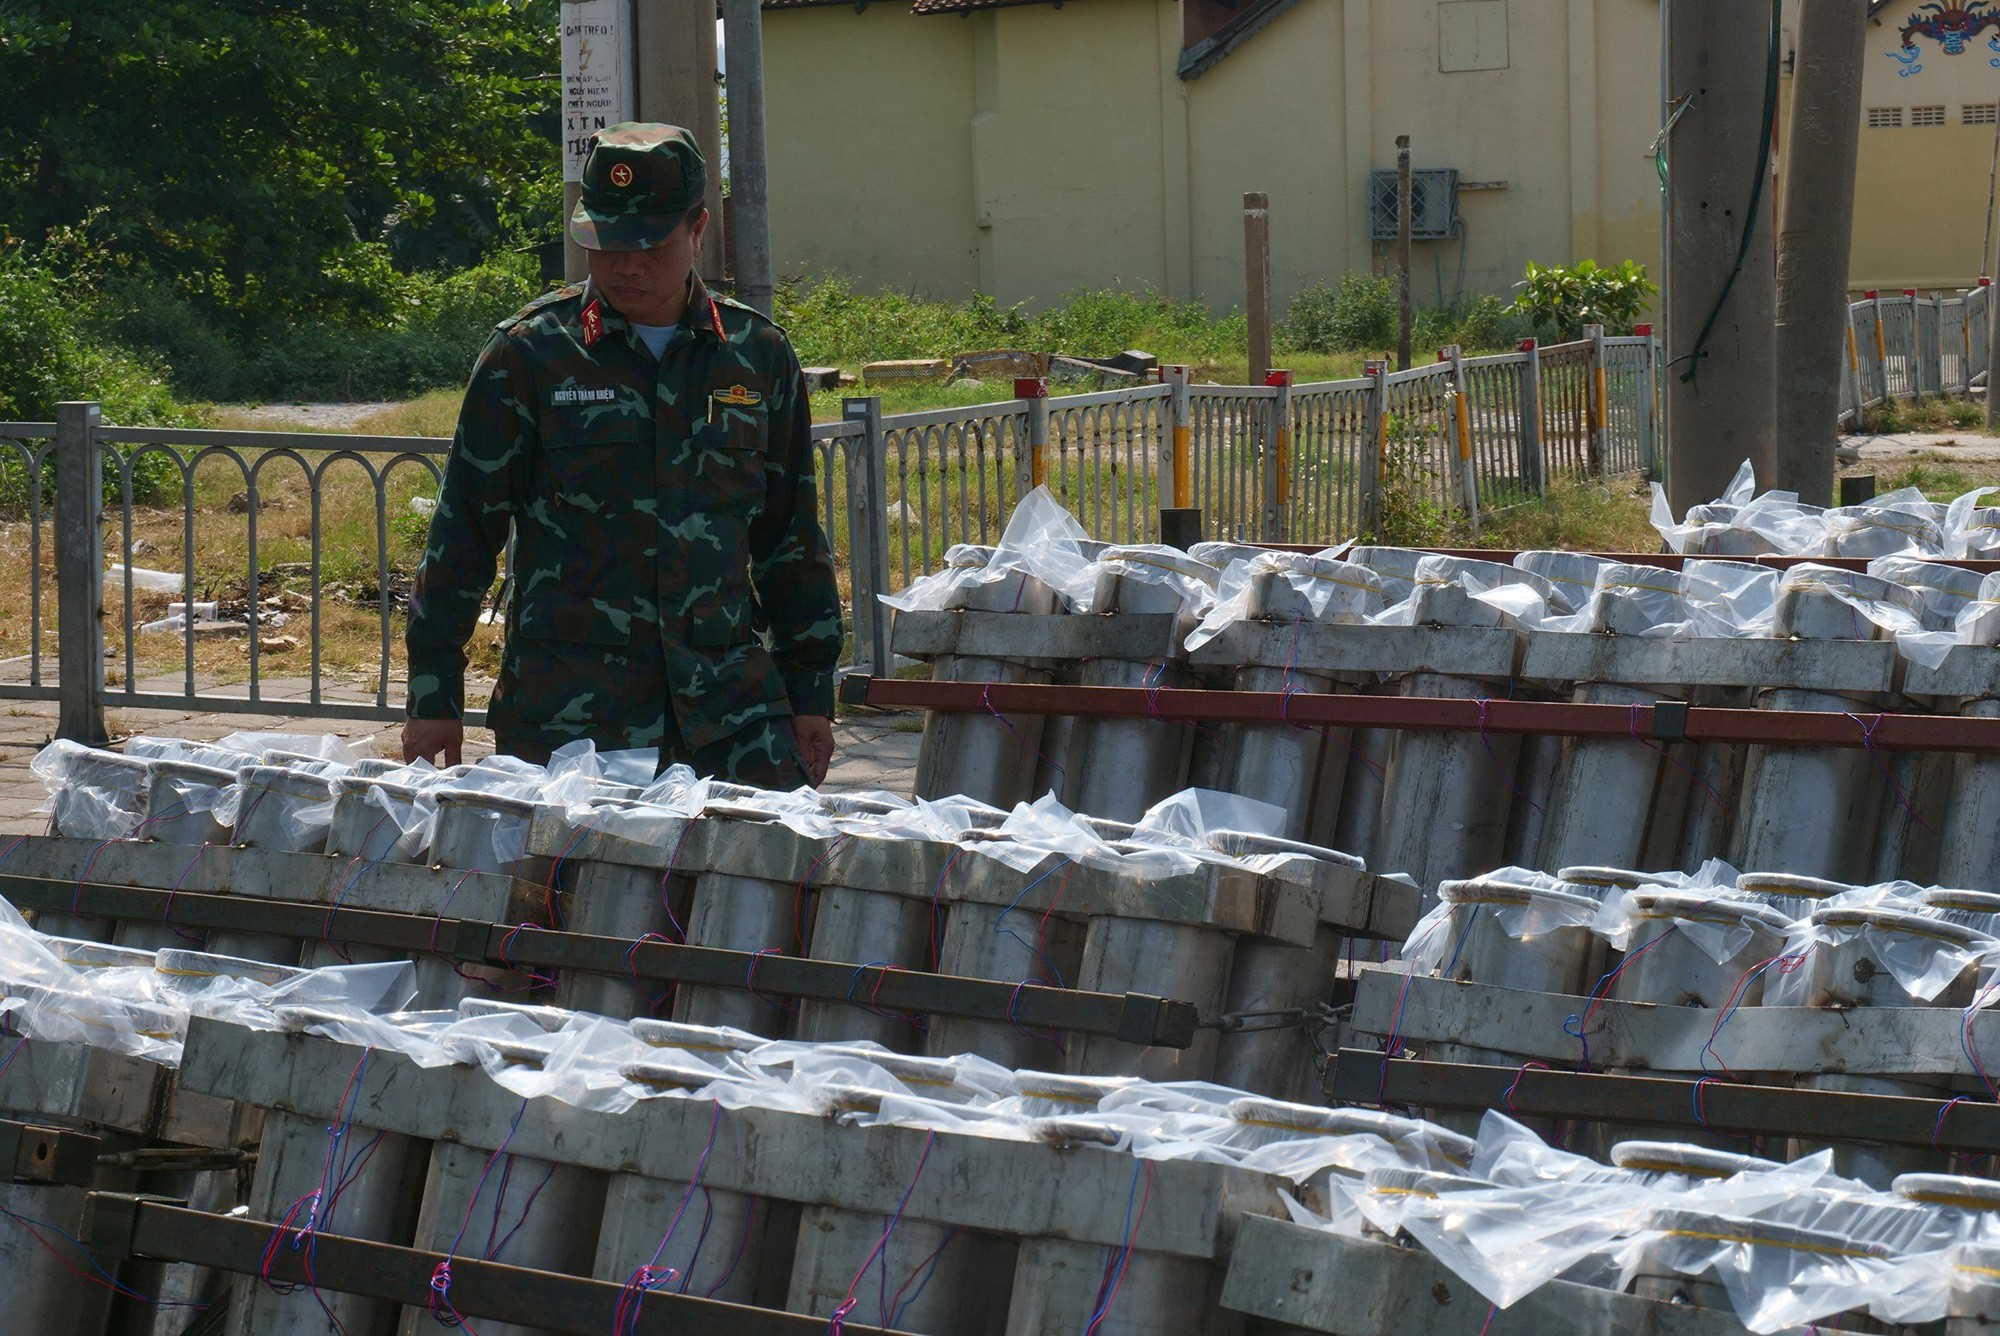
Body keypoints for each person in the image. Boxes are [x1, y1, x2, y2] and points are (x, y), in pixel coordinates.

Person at [401, 123, 840, 788]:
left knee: (746, 889)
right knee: (559, 894)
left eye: (650, 244)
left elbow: (791, 538)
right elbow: (463, 531)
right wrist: (434, 694)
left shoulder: (756, 356)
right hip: (570, 723)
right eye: (607, 243)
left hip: (730, 720)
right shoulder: (530, 355)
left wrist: (811, 693)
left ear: (698, 229)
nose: (626, 263)